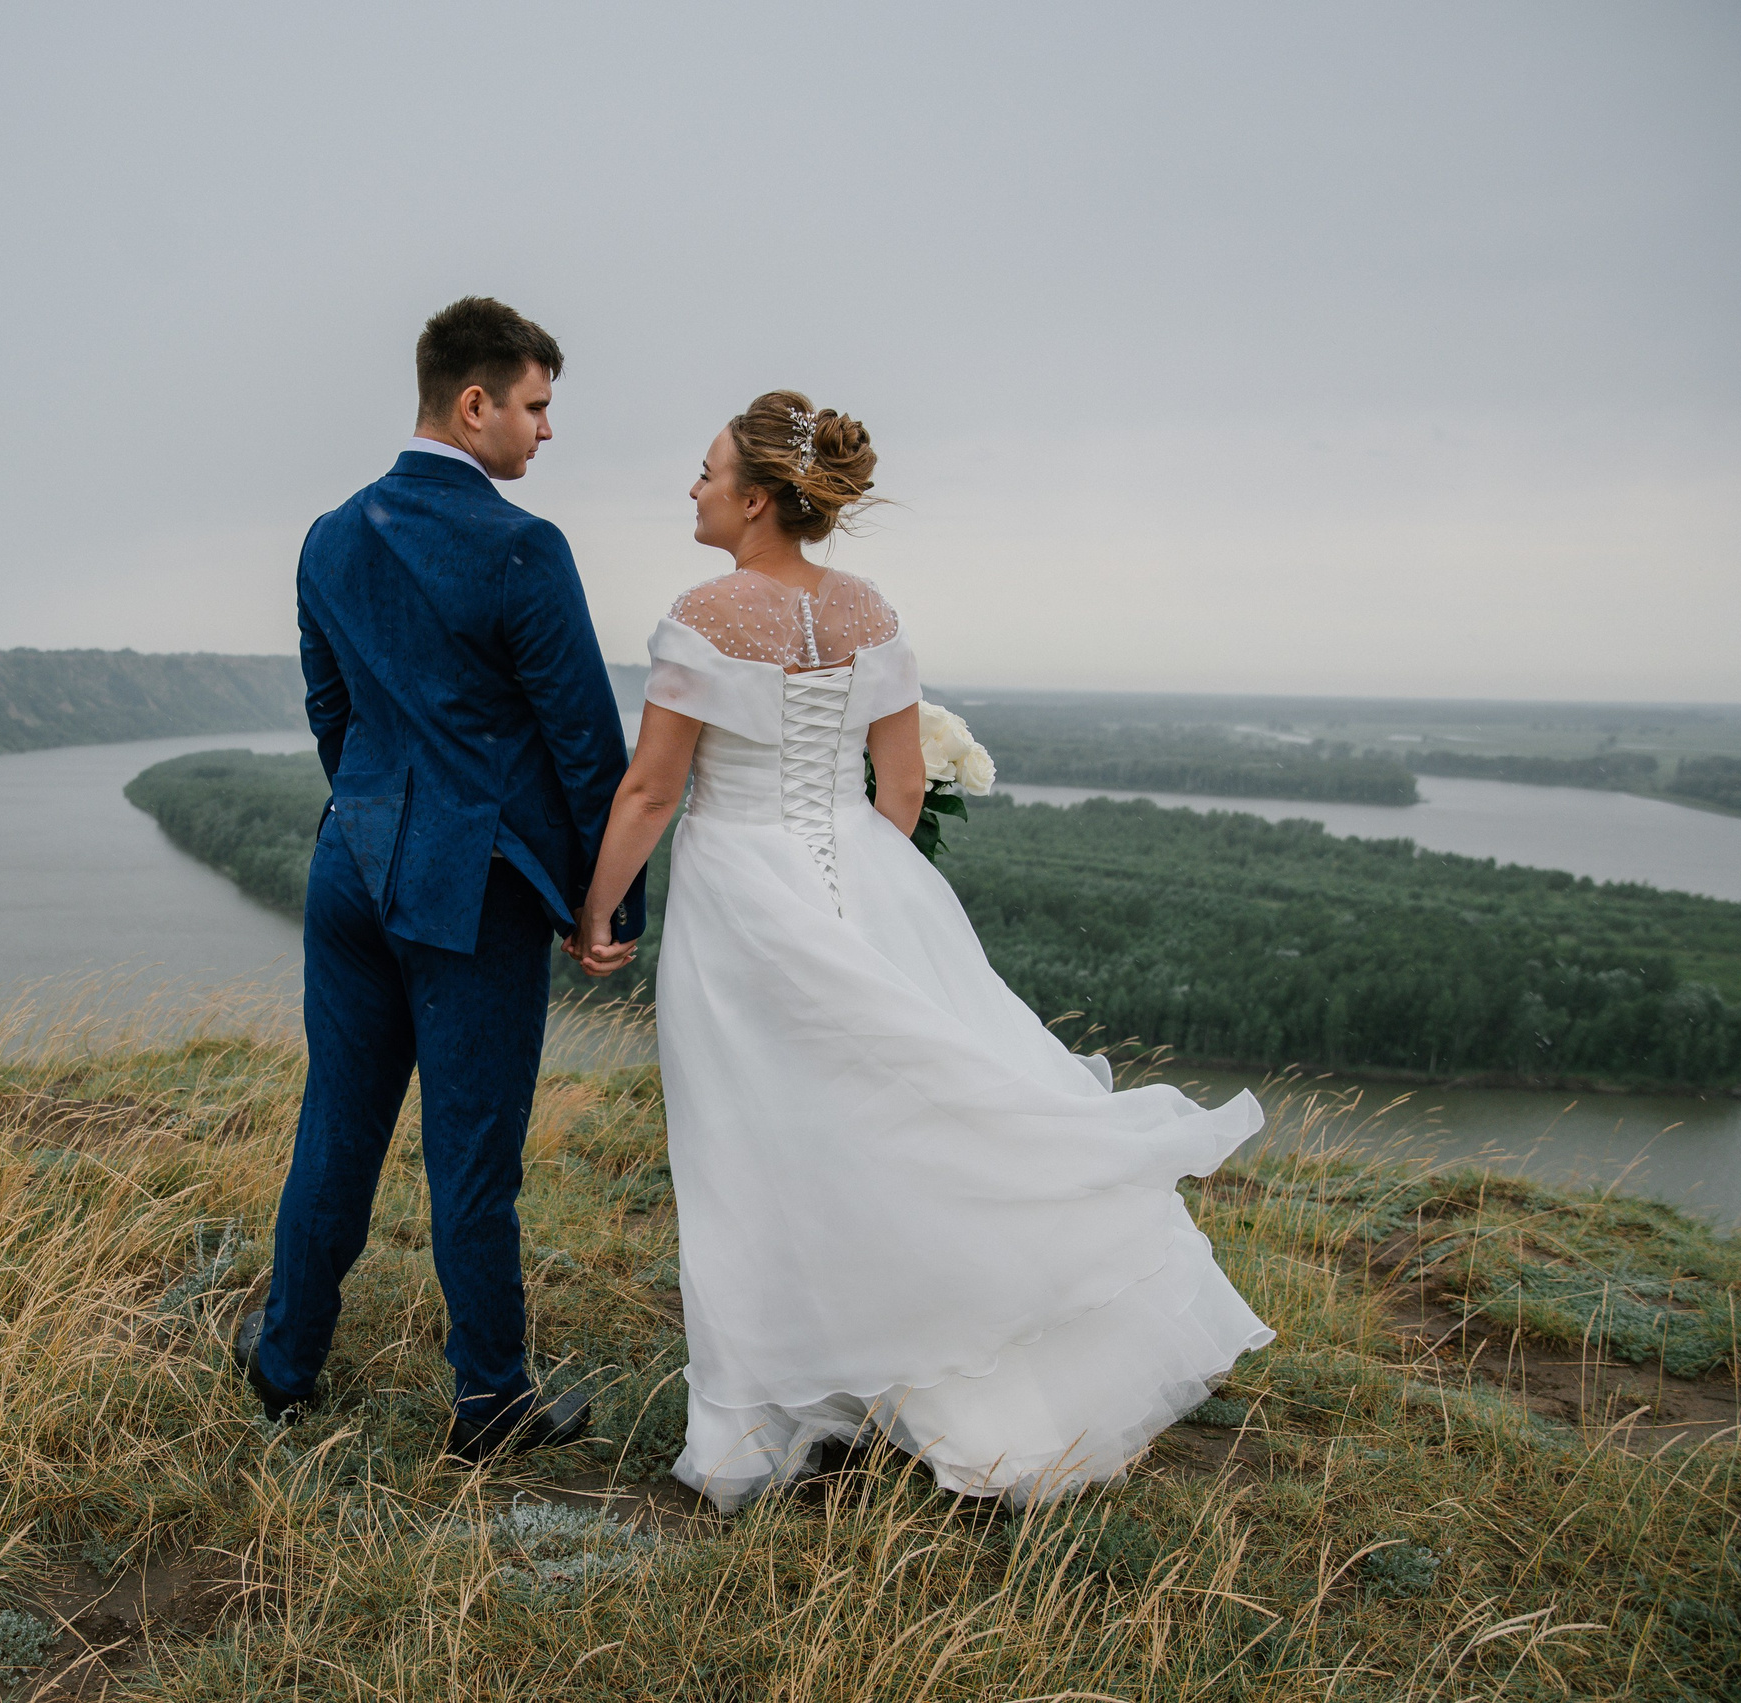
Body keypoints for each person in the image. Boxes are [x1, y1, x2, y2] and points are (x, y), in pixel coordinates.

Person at [572, 393, 1273, 1510]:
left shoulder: (703, 613)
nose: (693, 489)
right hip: (870, 886)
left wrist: (598, 908)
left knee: (750, 1142)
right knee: (889, 1123)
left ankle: (768, 1412)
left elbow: (652, 787)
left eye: (704, 472)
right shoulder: (869, 610)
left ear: (756, 498)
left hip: (741, 903)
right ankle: (909, 1374)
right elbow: (899, 788)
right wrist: (856, 885)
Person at [239, 297, 642, 1462]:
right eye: (534, 405)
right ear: (473, 405)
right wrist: (602, 901)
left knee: (339, 1119)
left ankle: (284, 1365)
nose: (544, 431)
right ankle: (488, 1402)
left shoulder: (330, 534)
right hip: (473, 890)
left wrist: (371, 811)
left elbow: (331, 710)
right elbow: (582, 744)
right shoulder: (523, 546)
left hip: (349, 866)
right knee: (472, 1150)